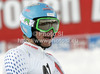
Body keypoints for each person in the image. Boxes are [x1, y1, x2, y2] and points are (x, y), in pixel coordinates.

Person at [4, 2, 64, 74]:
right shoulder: (17, 55)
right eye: (44, 25)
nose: (50, 31)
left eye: (54, 25)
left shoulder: (52, 61)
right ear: (29, 27)